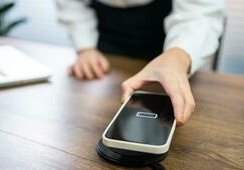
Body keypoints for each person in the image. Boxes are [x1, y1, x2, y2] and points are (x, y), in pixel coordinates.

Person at [56, 0, 224, 126]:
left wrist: (179, 54)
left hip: (166, 34)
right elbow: (71, 4)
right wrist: (85, 47)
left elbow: (200, 12)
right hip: (104, 41)